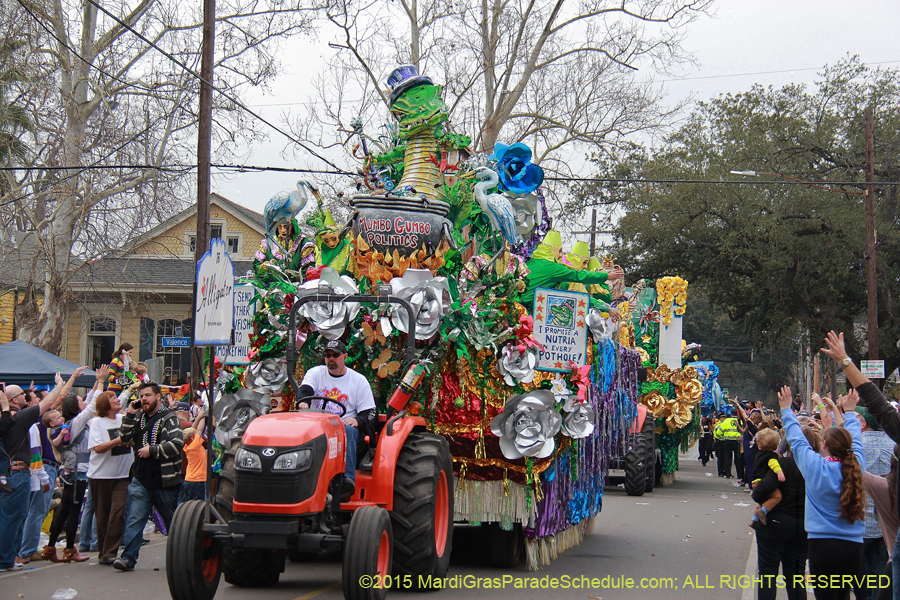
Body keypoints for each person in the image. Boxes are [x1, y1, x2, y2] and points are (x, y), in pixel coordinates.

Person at [821, 330, 900, 600]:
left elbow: (877, 405)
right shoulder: (885, 443)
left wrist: (845, 360)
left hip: (861, 527)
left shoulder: (858, 452)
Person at [777, 384, 866, 600]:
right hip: (853, 547)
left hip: (821, 545)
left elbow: (797, 441)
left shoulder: (815, 467)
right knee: (843, 596)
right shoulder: (857, 466)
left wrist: (787, 410)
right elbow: (855, 440)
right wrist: (851, 412)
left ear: (823, 444)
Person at [0, 370, 84, 571]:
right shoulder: (18, 418)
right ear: (12, 400)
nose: (26, 395)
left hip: (13, 473)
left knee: (17, 517)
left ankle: (11, 557)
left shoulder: (11, 419)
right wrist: (59, 383)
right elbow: (49, 403)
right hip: (17, 473)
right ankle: (5, 559)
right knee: (14, 518)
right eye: (21, 393)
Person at [114, 382, 184, 572]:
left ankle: (182, 558)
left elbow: (177, 444)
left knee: (173, 524)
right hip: (141, 480)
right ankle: (128, 558)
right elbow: (125, 438)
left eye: (148, 395)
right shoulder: (138, 418)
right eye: (141, 396)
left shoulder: (170, 419)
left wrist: (152, 450)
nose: (143, 399)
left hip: (165, 481)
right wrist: (128, 414)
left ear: (158, 397)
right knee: (135, 519)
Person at [297, 339, 376, 500]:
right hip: (318, 427)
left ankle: (345, 480)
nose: (331, 359)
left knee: (347, 430)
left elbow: (370, 412)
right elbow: (305, 390)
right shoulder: (316, 373)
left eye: (335, 355)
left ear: (345, 356)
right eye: (327, 355)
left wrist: (358, 421)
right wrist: (304, 402)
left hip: (345, 429)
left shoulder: (358, 381)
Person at [44, 373, 105, 564]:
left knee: (65, 509)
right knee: (72, 509)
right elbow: (92, 405)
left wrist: (97, 382)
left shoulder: (72, 423)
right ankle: (70, 549)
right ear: (75, 406)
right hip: (77, 471)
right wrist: (101, 382)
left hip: (74, 470)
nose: (83, 402)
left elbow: (89, 400)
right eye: (80, 401)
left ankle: (51, 547)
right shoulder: (77, 423)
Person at [752, 427, 808, 600]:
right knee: (796, 575)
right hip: (803, 524)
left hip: (776, 522)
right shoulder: (817, 466)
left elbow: (760, 492)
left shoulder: (783, 464)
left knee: (768, 573)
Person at [88, 391, 134, 565]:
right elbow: (98, 448)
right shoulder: (96, 423)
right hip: (101, 475)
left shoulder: (124, 420)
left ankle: (111, 551)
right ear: (105, 404)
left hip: (123, 474)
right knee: (102, 515)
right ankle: (103, 551)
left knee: (118, 511)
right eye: (113, 398)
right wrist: (120, 440)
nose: (117, 400)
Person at [854, 406, 894, 600]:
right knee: (880, 576)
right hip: (884, 523)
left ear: (865, 423)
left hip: (858, 522)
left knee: (859, 578)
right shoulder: (892, 444)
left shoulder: (856, 445)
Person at [749, 428, 785, 527]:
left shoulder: (758, 454)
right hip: (763, 482)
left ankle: (754, 520)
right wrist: (779, 472)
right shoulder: (771, 455)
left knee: (764, 501)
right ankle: (763, 511)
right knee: (776, 497)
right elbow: (773, 464)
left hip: (755, 482)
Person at [714, 408, 742, 478]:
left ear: (731, 414)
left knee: (728, 458)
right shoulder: (739, 421)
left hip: (727, 441)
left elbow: (720, 430)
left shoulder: (727, 421)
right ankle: (739, 475)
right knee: (737, 458)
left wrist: (716, 437)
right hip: (737, 441)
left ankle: (728, 474)